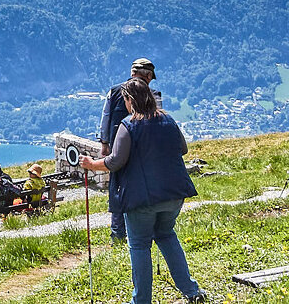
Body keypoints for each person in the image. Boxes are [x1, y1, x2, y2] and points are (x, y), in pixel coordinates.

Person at [81, 80, 207, 304]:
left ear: (129, 101)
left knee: (139, 245)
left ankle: (141, 301)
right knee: (167, 235)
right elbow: (183, 149)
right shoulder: (168, 119)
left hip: (142, 199)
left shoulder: (128, 125)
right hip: (174, 194)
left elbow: (115, 161)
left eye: (126, 100)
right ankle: (191, 291)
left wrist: (92, 164)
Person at [98, 58, 163, 242]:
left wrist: (104, 144)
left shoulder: (114, 91)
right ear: (149, 76)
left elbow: (106, 118)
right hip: (144, 151)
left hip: (117, 149)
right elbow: (158, 122)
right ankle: (144, 232)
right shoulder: (154, 94)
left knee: (117, 188)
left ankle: (118, 235)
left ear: (133, 73)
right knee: (143, 187)